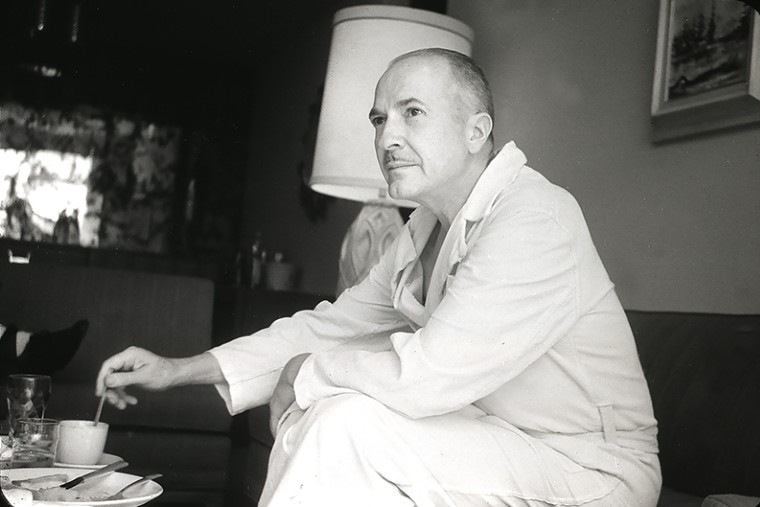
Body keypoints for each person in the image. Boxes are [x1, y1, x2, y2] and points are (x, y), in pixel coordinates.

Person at [96, 48, 661, 506]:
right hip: (500, 441)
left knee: (347, 424)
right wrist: (176, 370)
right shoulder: (421, 229)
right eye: (378, 118)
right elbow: (332, 327)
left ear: (476, 130)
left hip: (591, 468)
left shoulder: (534, 217)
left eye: (412, 112)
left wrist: (307, 375)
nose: (387, 136)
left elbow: (429, 374)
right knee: (337, 413)